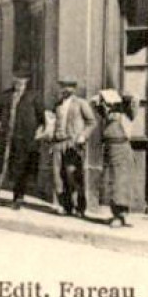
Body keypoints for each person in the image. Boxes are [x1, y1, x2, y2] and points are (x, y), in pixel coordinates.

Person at [0, 71, 45, 210]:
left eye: (22, 79)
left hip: (24, 139)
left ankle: (18, 199)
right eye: (16, 79)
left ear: (27, 81)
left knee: (20, 169)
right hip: (6, 137)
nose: (19, 82)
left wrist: (37, 134)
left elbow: (42, 118)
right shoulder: (6, 95)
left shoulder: (34, 97)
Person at [92, 88, 137, 227]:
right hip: (110, 150)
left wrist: (122, 99)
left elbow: (134, 101)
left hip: (122, 150)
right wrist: (104, 98)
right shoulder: (107, 115)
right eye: (105, 104)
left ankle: (120, 216)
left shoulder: (126, 114)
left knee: (121, 183)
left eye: (107, 104)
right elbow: (94, 102)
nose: (105, 107)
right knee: (111, 183)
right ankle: (115, 213)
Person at [52, 78, 96, 217]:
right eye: (63, 86)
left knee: (73, 175)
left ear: (74, 89)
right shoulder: (58, 104)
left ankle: (80, 208)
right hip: (58, 143)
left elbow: (91, 122)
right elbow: (53, 123)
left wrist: (83, 136)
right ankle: (66, 206)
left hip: (73, 144)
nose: (65, 90)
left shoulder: (81, 103)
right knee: (58, 176)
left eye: (69, 87)